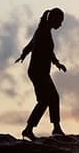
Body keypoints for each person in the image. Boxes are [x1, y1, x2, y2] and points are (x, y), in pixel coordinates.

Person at [14, 8, 68, 140]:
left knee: (48, 99)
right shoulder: (43, 32)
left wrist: (23, 54)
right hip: (38, 72)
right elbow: (43, 49)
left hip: (40, 71)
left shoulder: (43, 30)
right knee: (48, 99)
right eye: (59, 21)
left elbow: (31, 45)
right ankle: (50, 128)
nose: (60, 25)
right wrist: (57, 63)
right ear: (53, 19)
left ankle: (34, 129)